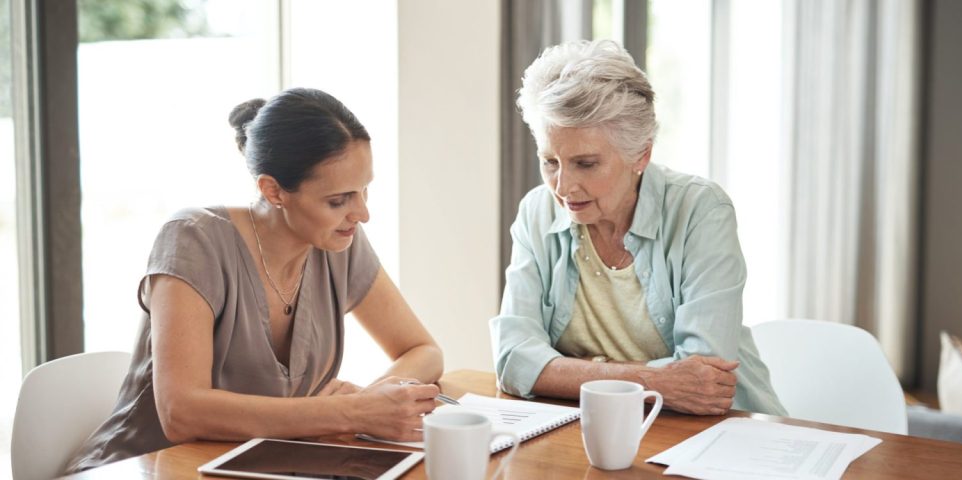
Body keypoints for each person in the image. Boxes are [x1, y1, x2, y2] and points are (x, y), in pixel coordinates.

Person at [66, 88, 443, 473]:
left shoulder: (338, 244)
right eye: (338, 200)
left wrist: (373, 398)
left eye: (364, 190)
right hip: (139, 468)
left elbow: (423, 350)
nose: (362, 213)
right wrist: (348, 412)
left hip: (258, 469)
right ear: (273, 190)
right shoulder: (193, 239)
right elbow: (181, 412)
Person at [490, 40, 786, 416]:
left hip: (716, 432)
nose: (563, 187)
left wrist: (563, 373)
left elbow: (703, 378)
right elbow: (513, 360)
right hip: (593, 427)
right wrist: (655, 381)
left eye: (585, 163)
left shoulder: (701, 211)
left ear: (641, 154)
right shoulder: (537, 211)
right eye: (550, 162)